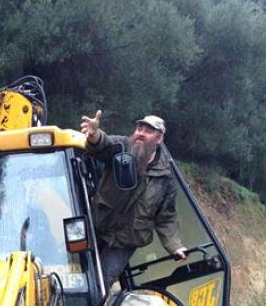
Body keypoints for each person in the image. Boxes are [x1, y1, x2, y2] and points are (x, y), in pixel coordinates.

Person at [79, 110, 187, 287]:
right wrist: (94, 135)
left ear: (159, 138)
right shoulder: (120, 147)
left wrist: (174, 246)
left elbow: (166, 216)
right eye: (139, 128)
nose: (141, 134)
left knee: (101, 283)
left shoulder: (165, 175)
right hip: (97, 226)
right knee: (76, 272)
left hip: (124, 241)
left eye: (148, 131)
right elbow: (103, 144)